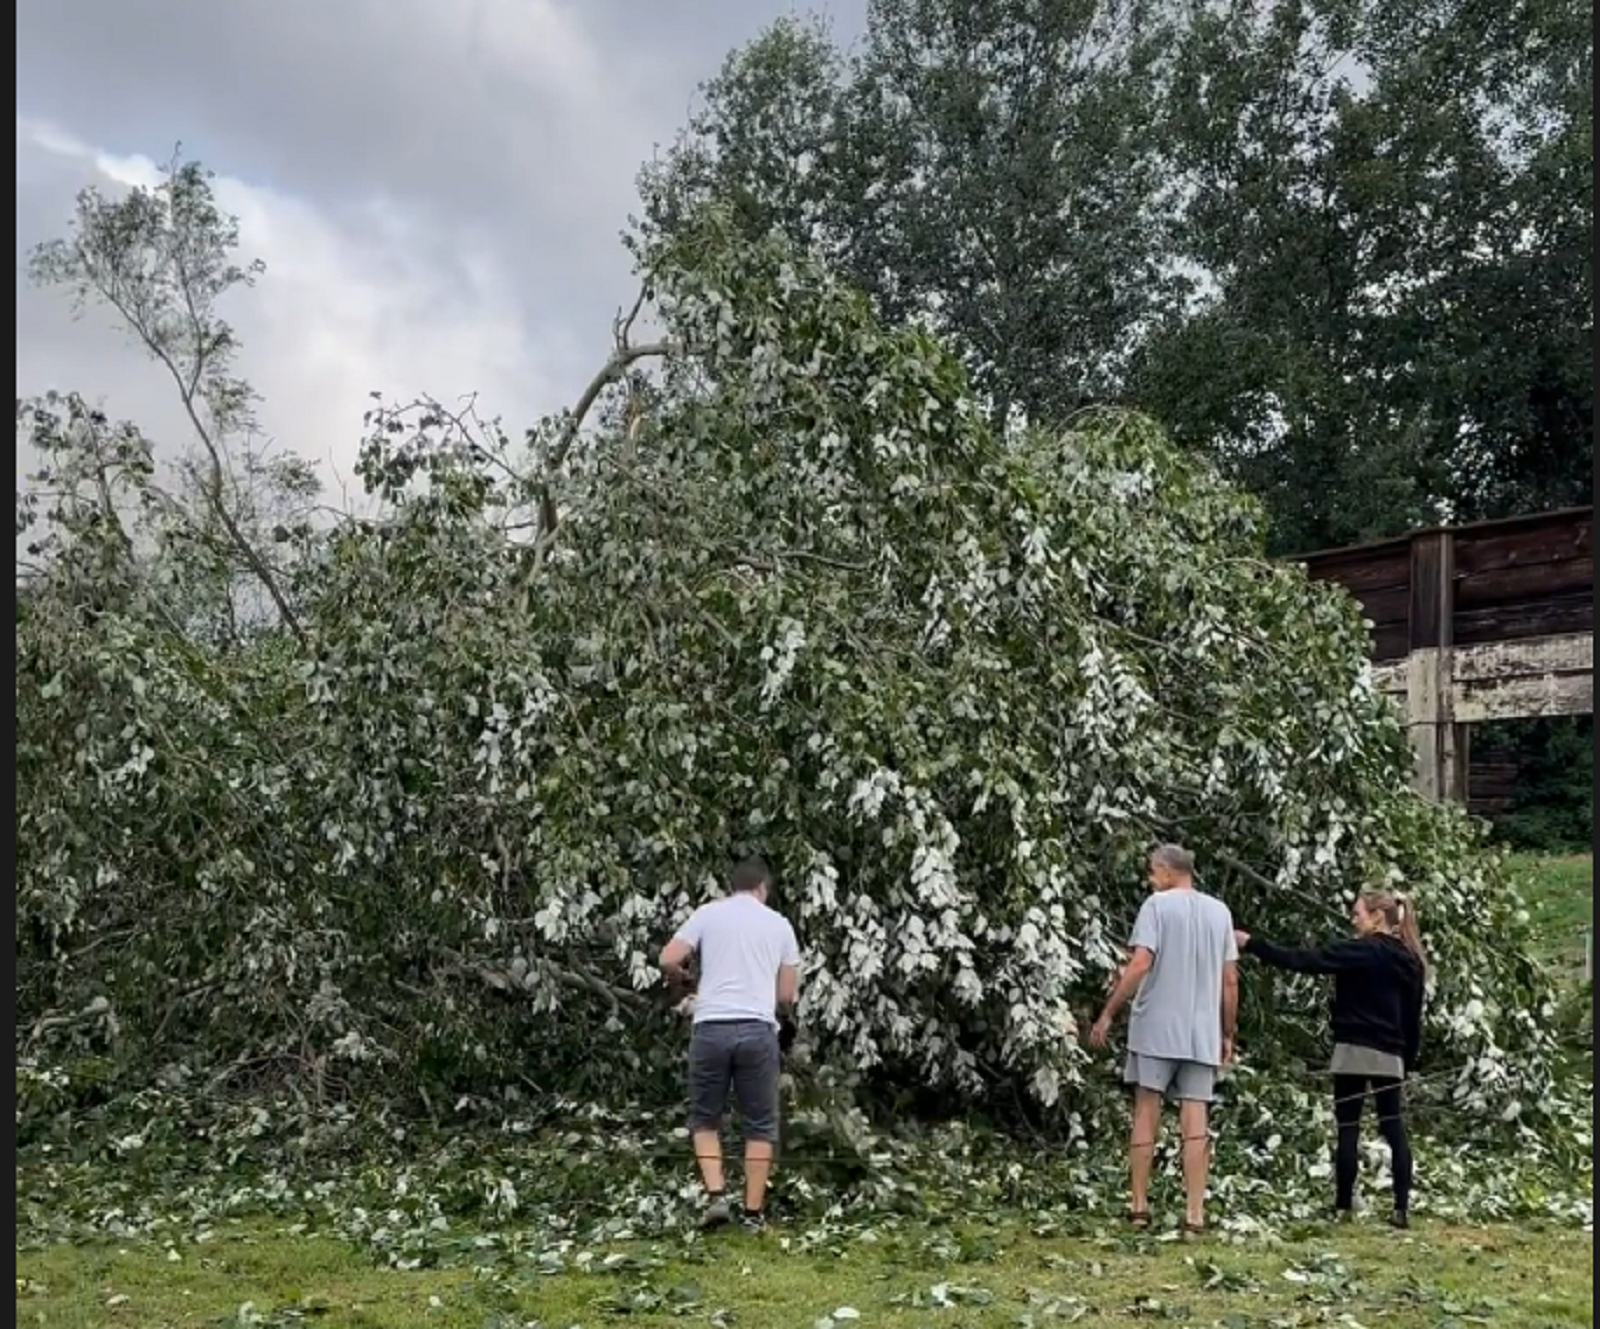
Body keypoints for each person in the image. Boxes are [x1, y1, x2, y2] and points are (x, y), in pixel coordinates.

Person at [1234, 887, 1426, 1228]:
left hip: (1353, 1046)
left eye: (1357, 914)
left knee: (1348, 1126)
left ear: (1377, 916)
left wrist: (1253, 944)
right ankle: (1400, 1208)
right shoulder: (1410, 960)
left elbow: (1305, 960)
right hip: (1390, 1052)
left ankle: (1343, 1207)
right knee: (1394, 1126)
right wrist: (1407, 1062)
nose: (1353, 921)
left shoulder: (1359, 952)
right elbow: (1413, 1018)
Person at [1090, 844, 1238, 1238]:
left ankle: (1139, 1205)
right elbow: (1229, 980)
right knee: (1195, 1123)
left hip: (1155, 1026)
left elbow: (1141, 962)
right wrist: (1227, 1032)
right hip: (1201, 1031)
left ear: (1167, 871)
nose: (1151, 880)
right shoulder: (1220, 912)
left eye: (1153, 873)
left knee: (1146, 1114)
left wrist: (1109, 1011)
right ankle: (1194, 1213)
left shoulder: (1156, 907)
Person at [659, 856, 801, 1232]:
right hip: (756, 1029)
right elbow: (787, 994)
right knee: (760, 1125)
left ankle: (717, 1196)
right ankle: (754, 1215)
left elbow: (668, 957)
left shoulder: (709, 913)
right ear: (762, 889)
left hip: (711, 1027)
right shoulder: (779, 925)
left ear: (731, 886)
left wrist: (684, 977)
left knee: (704, 1118)